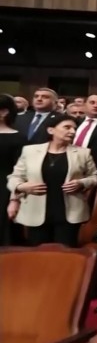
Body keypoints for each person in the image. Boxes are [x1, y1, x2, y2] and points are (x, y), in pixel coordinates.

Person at [7, 114, 97, 247]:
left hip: (69, 213)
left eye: (74, 128)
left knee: (66, 253)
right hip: (35, 211)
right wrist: (21, 187)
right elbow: (15, 177)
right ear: (51, 130)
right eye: (67, 127)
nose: (72, 131)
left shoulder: (83, 153)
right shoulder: (30, 151)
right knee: (37, 253)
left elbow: (95, 176)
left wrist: (81, 183)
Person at [0, 94, 28, 245]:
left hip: (4, 190)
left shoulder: (18, 139)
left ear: (4, 112)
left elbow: (20, 173)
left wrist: (14, 200)